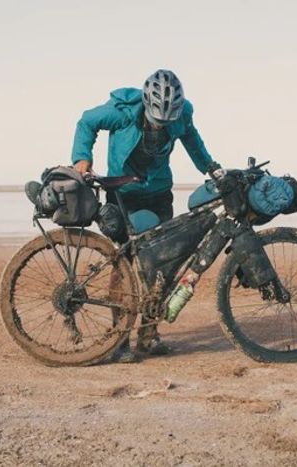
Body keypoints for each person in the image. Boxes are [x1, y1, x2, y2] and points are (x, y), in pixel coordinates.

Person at [71, 69, 218, 363]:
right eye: (156, 119)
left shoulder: (183, 114)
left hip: (159, 193)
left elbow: (192, 141)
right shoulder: (124, 111)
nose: (160, 125)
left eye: (166, 121)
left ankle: (149, 335)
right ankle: (119, 338)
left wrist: (211, 168)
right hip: (123, 194)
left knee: (163, 263)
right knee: (124, 263)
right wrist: (82, 159)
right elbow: (87, 121)